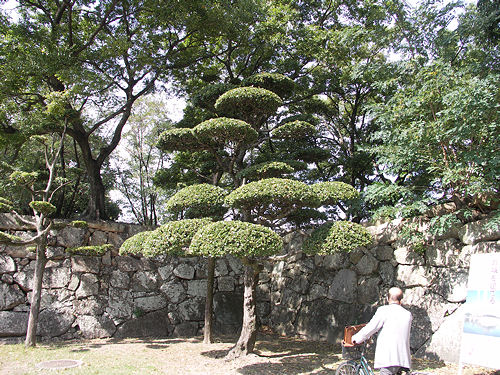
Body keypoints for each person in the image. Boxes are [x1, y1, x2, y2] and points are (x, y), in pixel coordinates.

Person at [352, 287, 412, 375]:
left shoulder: (383, 311)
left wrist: (356, 338)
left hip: (389, 359)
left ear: (388, 298)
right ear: (401, 300)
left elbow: (370, 328)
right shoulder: (407, 314)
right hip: (404, 359)